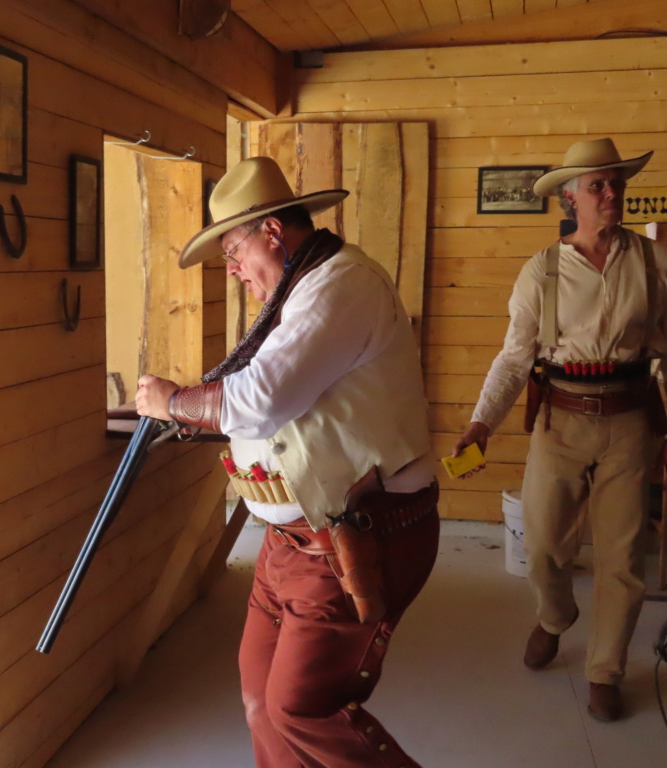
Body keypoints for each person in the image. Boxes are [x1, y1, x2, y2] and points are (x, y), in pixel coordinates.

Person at [135, 156, 439, 768]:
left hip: (357, 533)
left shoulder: (339, 284)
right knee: (259, 698)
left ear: (272, 233)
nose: (234, 268)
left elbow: (263, 398)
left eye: (234, 249)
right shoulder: (298, 289)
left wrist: (174, 402)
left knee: (302, 707)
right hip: (291, 543)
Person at [453, 138, 667, 722]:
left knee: (622, 560)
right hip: (559, 423)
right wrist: (481, 422)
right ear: (571, 198)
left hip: (630, 425)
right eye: (598, 185)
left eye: (616, 183)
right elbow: (515, 359)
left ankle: (605, 671)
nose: (612, 193)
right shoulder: (540, 270)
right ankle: (554, 618)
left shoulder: (656, 262)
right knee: (541, 549)